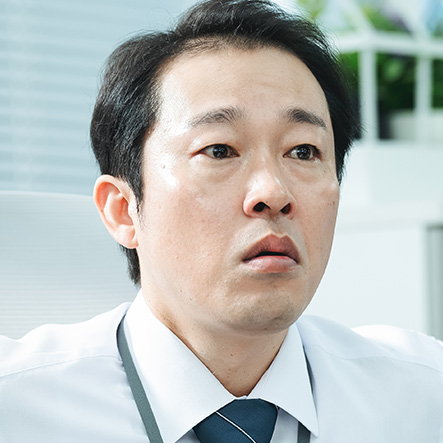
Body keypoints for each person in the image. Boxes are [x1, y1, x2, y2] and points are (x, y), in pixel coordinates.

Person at [0, 0, 442, 441]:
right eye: (219, 150)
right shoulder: (18, 407)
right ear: (123, 209)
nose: (273, 193)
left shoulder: (421, 398)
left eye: (303, 151)